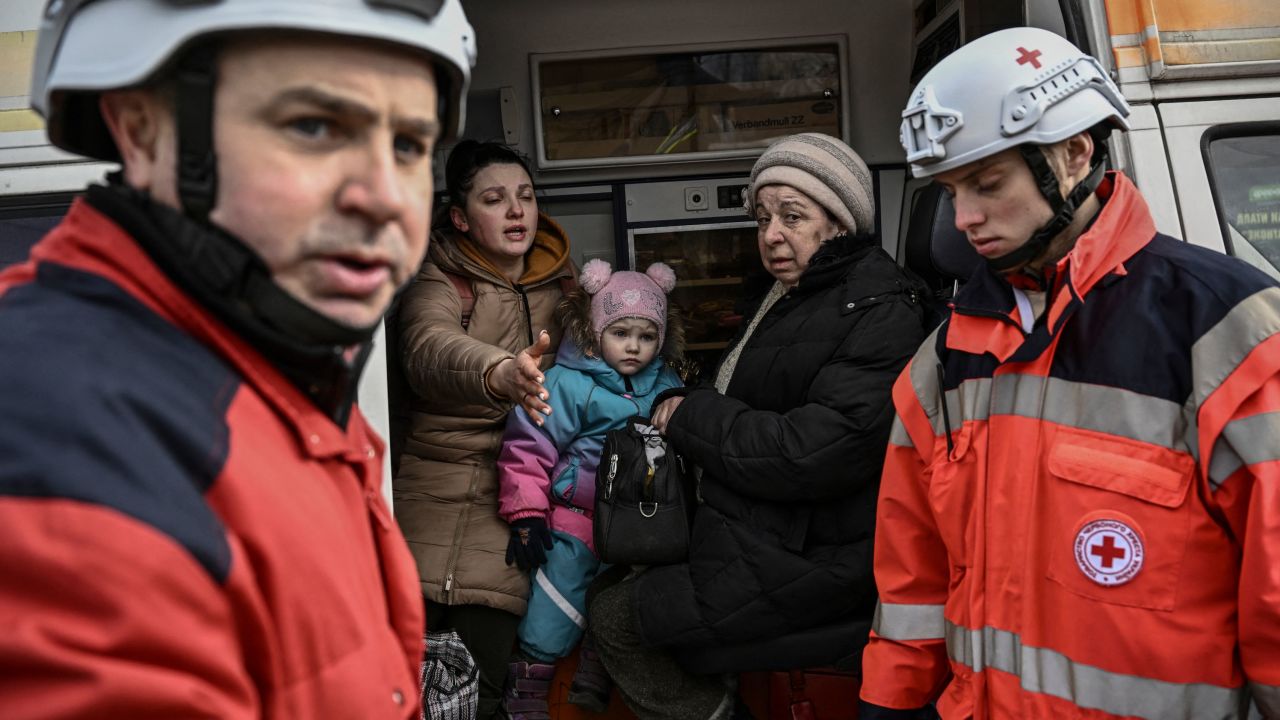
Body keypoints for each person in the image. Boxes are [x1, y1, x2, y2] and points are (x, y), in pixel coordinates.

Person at [0, 1, 474, 718]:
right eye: (314, 126)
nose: (385, 198)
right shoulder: (59, 430)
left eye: (410, 145)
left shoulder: (280, 372)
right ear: (141, 128)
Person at [859, 27, 1280, 720]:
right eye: (948, 192)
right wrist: (889, 707)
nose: (963, 218)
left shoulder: (1228, 335)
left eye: (987, 183)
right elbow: (912, 582)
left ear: (1075, 153)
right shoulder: (945, 359)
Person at [587, 132, 929, 719]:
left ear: (841, 223)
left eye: (792, 217)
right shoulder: (790, 295)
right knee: (606, 576)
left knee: (615, 619)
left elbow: (812, 451)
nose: (771, 234)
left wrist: (690, 415)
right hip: (763, 531)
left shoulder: (880, 311)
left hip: (814, 558)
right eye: (763, 217)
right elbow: (745, 395)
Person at [394, 140, 577, 720]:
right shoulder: (440, 279)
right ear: (460, 218)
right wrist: (499, 371)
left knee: (485, 694)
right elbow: (426, 347)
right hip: (424, 504)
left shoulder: (569, 290)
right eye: (495, 200)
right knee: (399, 693)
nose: (517, 212)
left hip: (515, 512)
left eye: (525, 196)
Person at [497, 260, 685, 717]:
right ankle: (528, 684)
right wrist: (526, 514)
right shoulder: (568, 383)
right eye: (621, 333)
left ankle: (597, 669)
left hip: (637, 525)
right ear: (596, 330)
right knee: (558, 596)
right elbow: (529, 445)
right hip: (575, 517)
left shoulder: (667, 385)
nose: (634, 347)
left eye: (646, 336)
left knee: (622, 601)